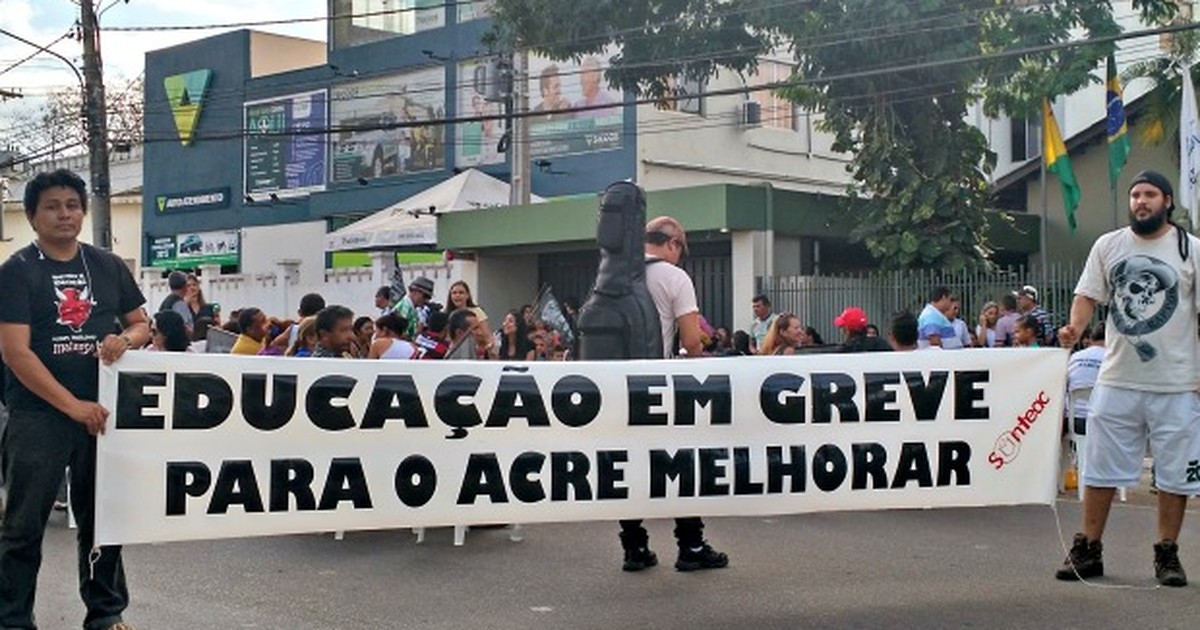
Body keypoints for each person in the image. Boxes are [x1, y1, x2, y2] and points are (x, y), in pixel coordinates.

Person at [0, 168, 149, 630]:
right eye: (52, 206)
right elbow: (15, 352)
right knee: (23, 529)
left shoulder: (107, 265)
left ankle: (106, 613)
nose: (64, 214)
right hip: (37, 417)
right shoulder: (16, 272)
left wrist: (125, 338)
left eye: (72, 205)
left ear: (82, 211)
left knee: (102, 523)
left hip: (102, 414)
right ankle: (12, 619)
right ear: (32, 216)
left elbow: (143, 324)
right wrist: (71, 406)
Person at [1054, 170, 1200, 587]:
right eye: (1136, 195)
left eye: (1150, 194)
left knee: (1175, 475)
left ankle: (1167, 554)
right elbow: (1088, 296)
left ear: (1167, 201)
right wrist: (1075, 328)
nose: (1141, 201)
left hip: (1177, 384)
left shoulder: (1191, 250)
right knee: (1098, 468)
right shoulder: (1109, 245)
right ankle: (1088, 549)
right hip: (1117, 379)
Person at [619, 216, 728, 573]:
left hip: (615, 387)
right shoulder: (673, 277)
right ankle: (691, 546)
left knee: (629, 467)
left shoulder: (615, 275)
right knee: (682, 464)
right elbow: (692, 341)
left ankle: (634, 548)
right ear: (673, 244)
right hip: (657, 385)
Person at [1065, 325, 1106, 436]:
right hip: (1101, 423)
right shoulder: (1112, 359)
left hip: (1070, 420)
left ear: (1091, 339)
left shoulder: (1074, 357)